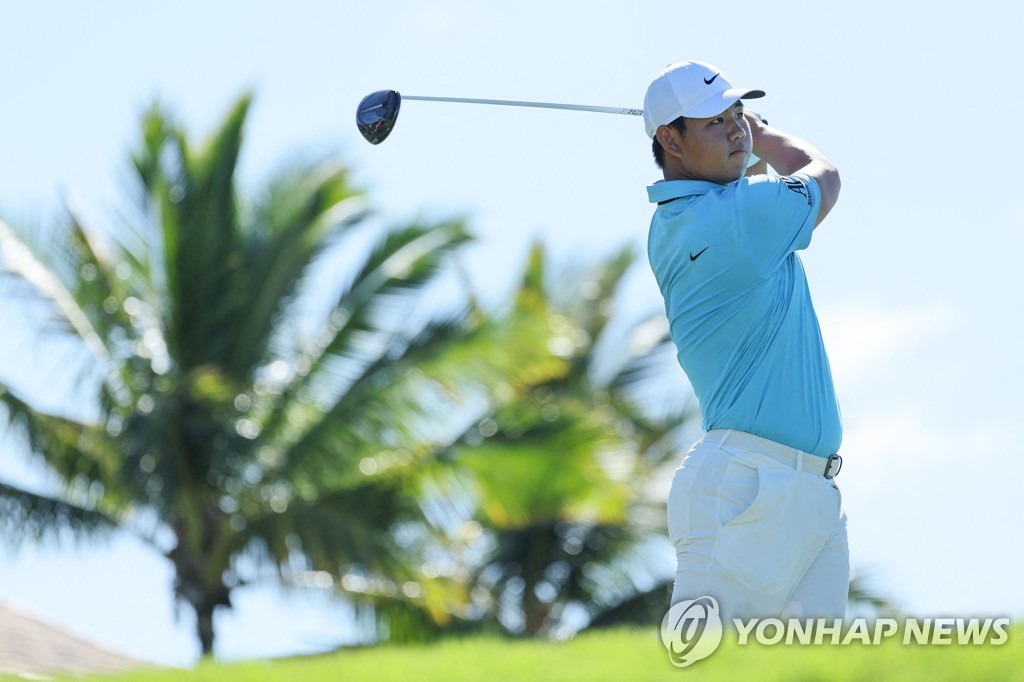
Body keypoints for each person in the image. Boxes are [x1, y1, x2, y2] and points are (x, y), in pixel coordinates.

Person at [643, 60, 847, 623]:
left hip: (806, 491)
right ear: (670, 139)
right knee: (708, 660)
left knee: (813, 665)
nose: (735, 129)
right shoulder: (735, 218)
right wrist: (765, 135)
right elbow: (823, 175)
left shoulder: (690, 218)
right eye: (716, 121)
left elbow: (746, 180)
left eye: (738, 115)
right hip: (747, 483)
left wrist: (737, 139)